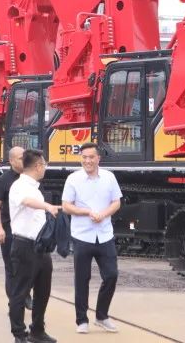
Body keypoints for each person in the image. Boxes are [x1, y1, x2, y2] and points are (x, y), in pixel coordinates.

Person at [62, 142, 122, 334]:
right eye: (84, 157)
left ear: (98, 158)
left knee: (111, 275)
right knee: (82, 279)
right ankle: (82, 320)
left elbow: (116, 202)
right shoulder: (73, 179)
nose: (87, 161)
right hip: (82, 236)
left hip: (104, 235)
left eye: (91, 157)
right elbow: (66, 206)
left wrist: (103, 214)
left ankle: (102, 316)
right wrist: (86, 212)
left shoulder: (109, 177)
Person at [8, 149, 60, 343]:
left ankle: (37, 330)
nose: (45, 168)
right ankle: (19, 334)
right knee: (20, 292)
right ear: (38, 166)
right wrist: (47, 206)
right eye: (44, 164)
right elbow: (27, 201)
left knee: (43, 291)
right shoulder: (19, 185)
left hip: (41, 247)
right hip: (24, 246)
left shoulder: (36, 188)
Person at [0, 147, 26, 304]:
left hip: (28, 231)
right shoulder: (3, 180)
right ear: (11, 161)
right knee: (11, 266)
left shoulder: (32, 178)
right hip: (9, 230)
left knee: (27, 266)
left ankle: (25, 294)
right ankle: (14, 302)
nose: (24, 160)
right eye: (20, 158)